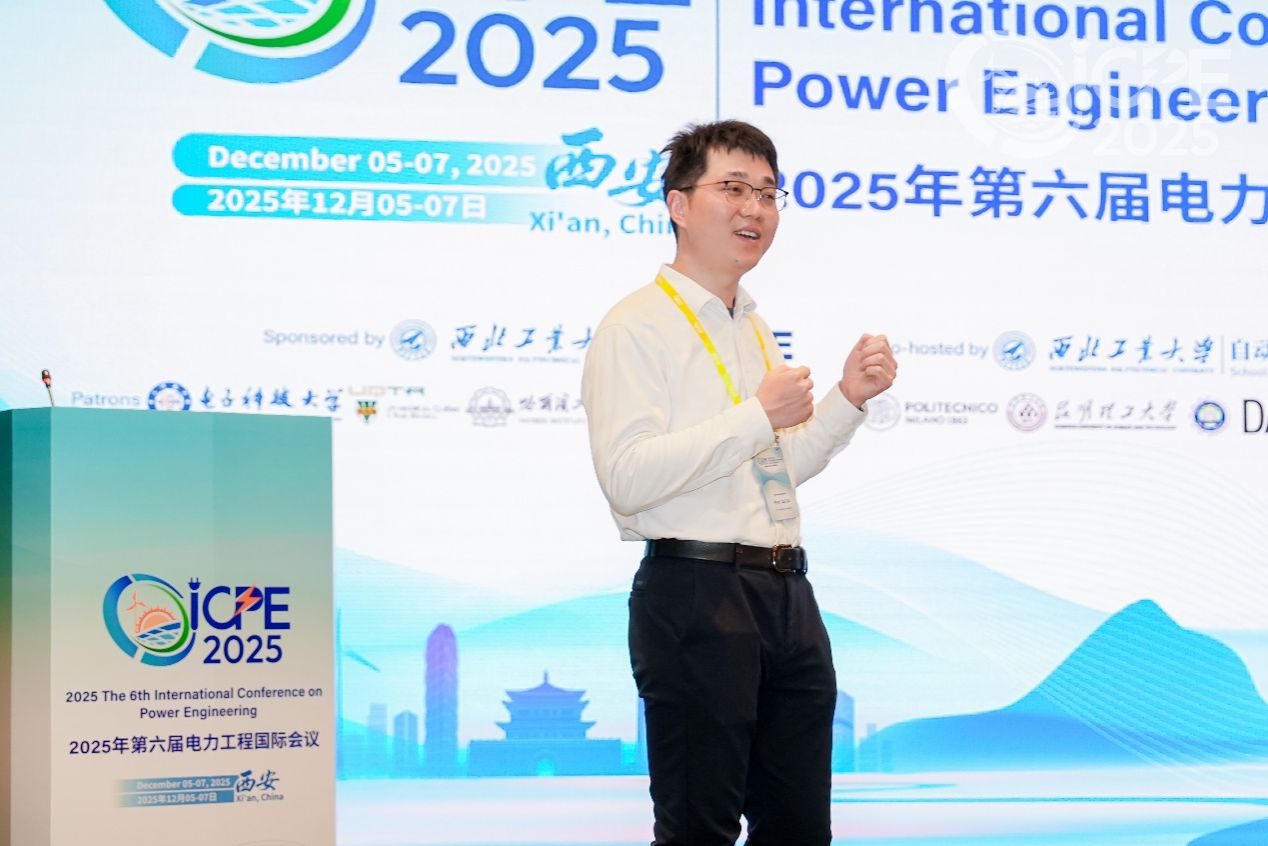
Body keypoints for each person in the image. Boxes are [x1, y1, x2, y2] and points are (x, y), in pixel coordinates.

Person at [580, 120, 897, 846]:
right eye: (733, 188)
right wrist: (757, 416)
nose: (755, 208)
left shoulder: (752, 326)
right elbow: (627, 478)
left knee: (798, 828)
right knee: (700, 828)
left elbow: (774, 470)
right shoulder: (635, 326)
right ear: (679, 205)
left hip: (784, 594)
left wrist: (847, 399)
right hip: (696, 594)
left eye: (768, 193)